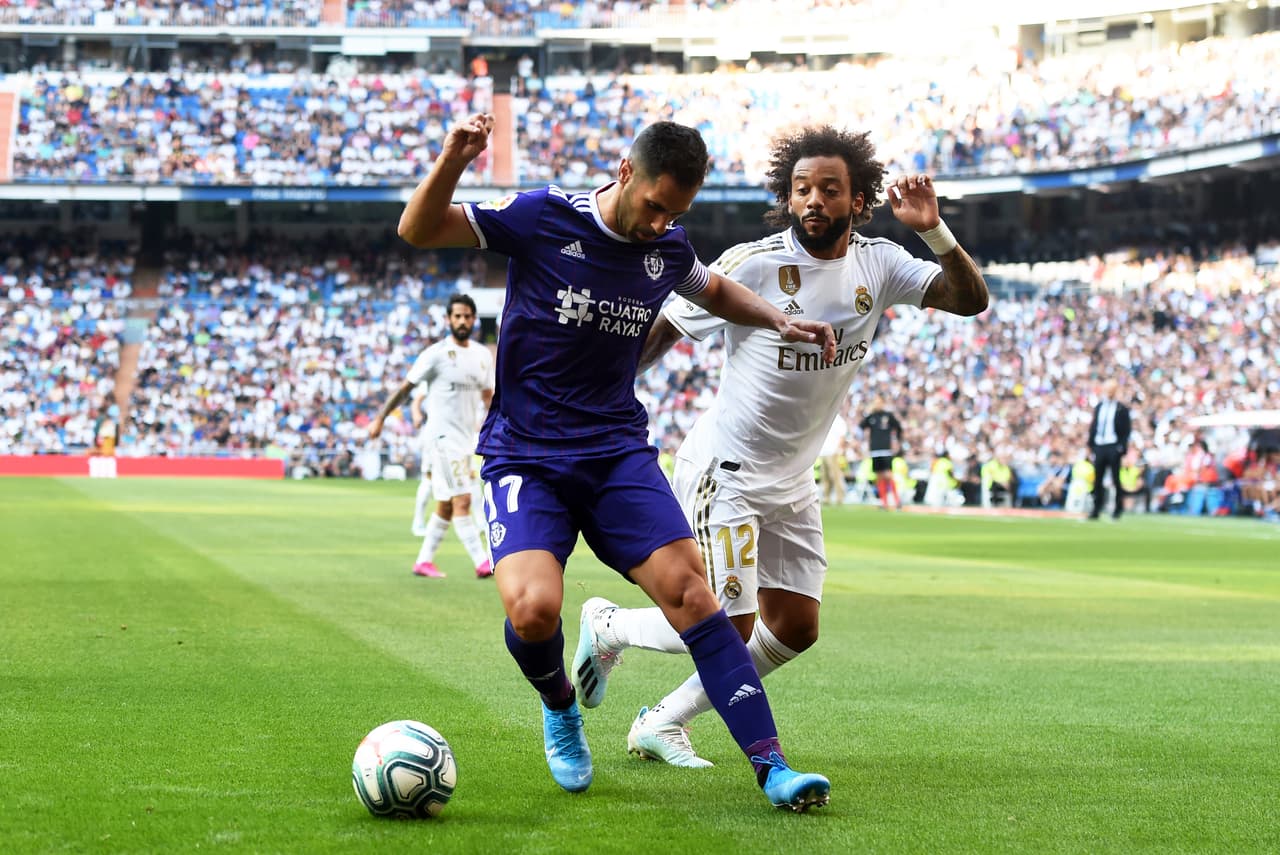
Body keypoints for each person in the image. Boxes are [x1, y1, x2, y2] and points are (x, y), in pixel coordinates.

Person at [396, 113, 837, 810]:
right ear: (625, 173)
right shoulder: (543, 217)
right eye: (656, 206)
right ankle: (560, 702)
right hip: (527, 458)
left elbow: (714, 289)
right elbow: (419, 230)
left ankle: (773, 766)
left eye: (677, 213)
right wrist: (453, 155)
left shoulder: (667, 248)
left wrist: (777, 318)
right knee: (535, 609)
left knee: (698, 598)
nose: (660, 223)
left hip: (615, 455)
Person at [570, 125, 988, 767]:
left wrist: (934, 232)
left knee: (795, 626)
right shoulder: (753, 264)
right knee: (729, 626)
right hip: (725, 470)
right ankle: (610, 627)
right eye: (802, 190)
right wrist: (596, 392)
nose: (814, 200)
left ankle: (661, 720)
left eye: (830, 189)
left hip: (793, 480)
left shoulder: (878, 263)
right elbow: (660, 332)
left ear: (859, 200)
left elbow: (968, 299)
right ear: (787, 198)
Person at [370, 294, 495, 579]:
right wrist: (380, 417)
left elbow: (489, 398)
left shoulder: (482, 356)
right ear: (449, 320)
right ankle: (482, 561)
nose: (462, 321)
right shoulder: (435, 354)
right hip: (441, 441)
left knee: (447, 505)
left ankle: (423, 561)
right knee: (463, 499)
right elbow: (405, 389)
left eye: (467, 316)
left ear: (474, 320)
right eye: (457, 316)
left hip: (465, 442)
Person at [1087, 378, 1131, 519]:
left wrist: (1121, 448)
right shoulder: (1099, 407)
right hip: (1100, 446)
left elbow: (1126, 431)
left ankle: (1118, 508)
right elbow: (1094, 427)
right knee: (1097, 479)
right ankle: (1096, 508)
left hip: (1113, 446)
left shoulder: (1121, 408)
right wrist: (1091, 445)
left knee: (1115, 478)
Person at [859, 400, 903, 510]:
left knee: (888, 475)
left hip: (886, 449)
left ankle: (896, 500)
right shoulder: (871, 417)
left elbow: (898, 428)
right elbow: (861, 426)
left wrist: (897, 441)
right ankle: (884, 502)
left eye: (879, 402)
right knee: (879, 477)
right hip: (875, 450)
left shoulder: (888, 416)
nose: (877, 404)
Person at [817, 411, 848, 505]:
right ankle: (827, 497)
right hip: (824, 452)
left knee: (835, 475)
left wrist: (838, 450)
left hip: (833, 452)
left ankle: (840, 498)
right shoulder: (825, 419)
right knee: (825, 476)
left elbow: (842, 437)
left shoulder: (838, 420)